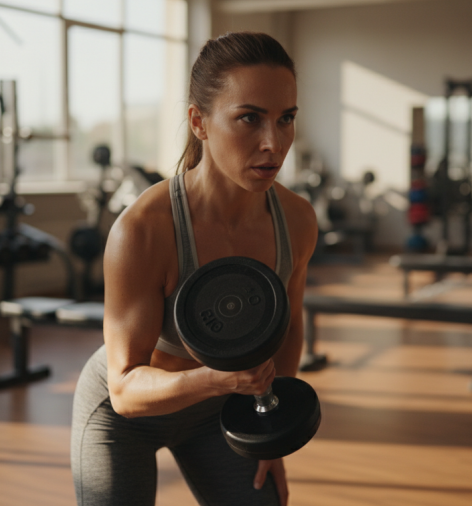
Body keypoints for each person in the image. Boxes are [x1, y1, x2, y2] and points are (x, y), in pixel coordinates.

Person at [70, 32, 317, 506]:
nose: (273, 142)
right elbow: (124, 388)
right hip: (124, 416)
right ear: (199, 122)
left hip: (218, 408)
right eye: (249, 118)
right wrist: (217, 380)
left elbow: (290, 324)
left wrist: (272, 428)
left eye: (285, 119)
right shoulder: (143, 230)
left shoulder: (298, 220)